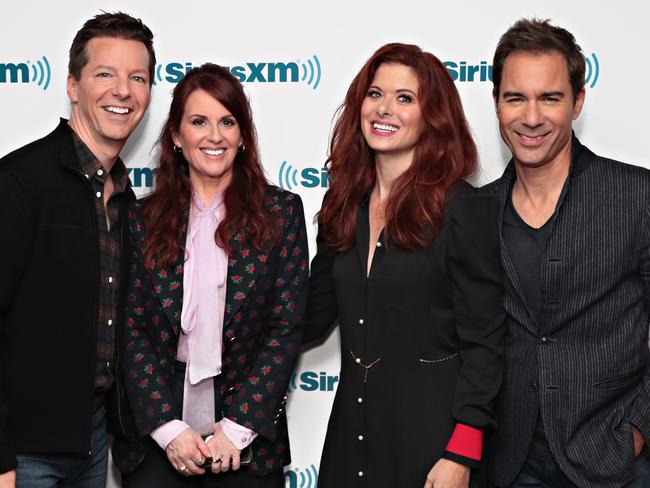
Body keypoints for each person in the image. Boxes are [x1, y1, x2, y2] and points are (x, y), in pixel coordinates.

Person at [303, 43, 505, 488]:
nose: (384, 109)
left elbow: (487, 344)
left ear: (432, 116)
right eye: (375, 94)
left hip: (435, 445)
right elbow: (309, 319)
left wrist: (462, 452)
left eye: (404, 98)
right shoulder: (343, 207)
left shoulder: (464, 210)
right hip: (351, 436)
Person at [112, 63, 308, 488]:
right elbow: (132, 330)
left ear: (242, 137)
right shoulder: (140, 218)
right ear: (177, 137)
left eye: (227, 122)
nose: (214, 136)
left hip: (248, 440)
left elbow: (285, 328)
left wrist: (238, 429)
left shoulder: (282, 213)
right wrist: (168, 429)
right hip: (155, 437)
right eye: (199, 122)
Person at [484, 18, 650, 488]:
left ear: (577, 101)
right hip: (508, 465)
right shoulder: (478, 211)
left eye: (549, 98)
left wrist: (637, 430)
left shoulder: (636, 196)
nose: (531, 117)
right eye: (515, 97)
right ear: (496, 103)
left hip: (615, 464)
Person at [0, 12, 154, 488]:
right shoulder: (21, 183)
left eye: (137, 78)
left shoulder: (128, 201)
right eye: (105, 74)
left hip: (93, 443)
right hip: (23, 452)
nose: (122, 91)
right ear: (72, 84)